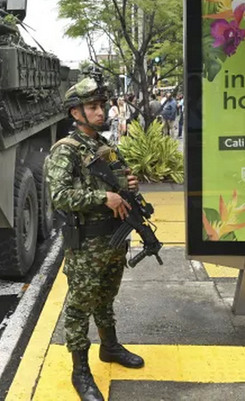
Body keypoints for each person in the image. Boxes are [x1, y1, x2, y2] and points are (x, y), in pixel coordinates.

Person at [45, 77, 144, 401]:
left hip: (113, 240)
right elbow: (59, 196)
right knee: (79, 307)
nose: (101, 111)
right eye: (92, 107)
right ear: (76, 113)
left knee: (106, 297)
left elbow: (119, 182)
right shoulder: (66, 150)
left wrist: (128, 184)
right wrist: (104, 198)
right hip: (87, 245)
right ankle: (80, 371)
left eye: (101, 105)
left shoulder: (103, 146)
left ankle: (110, 347)